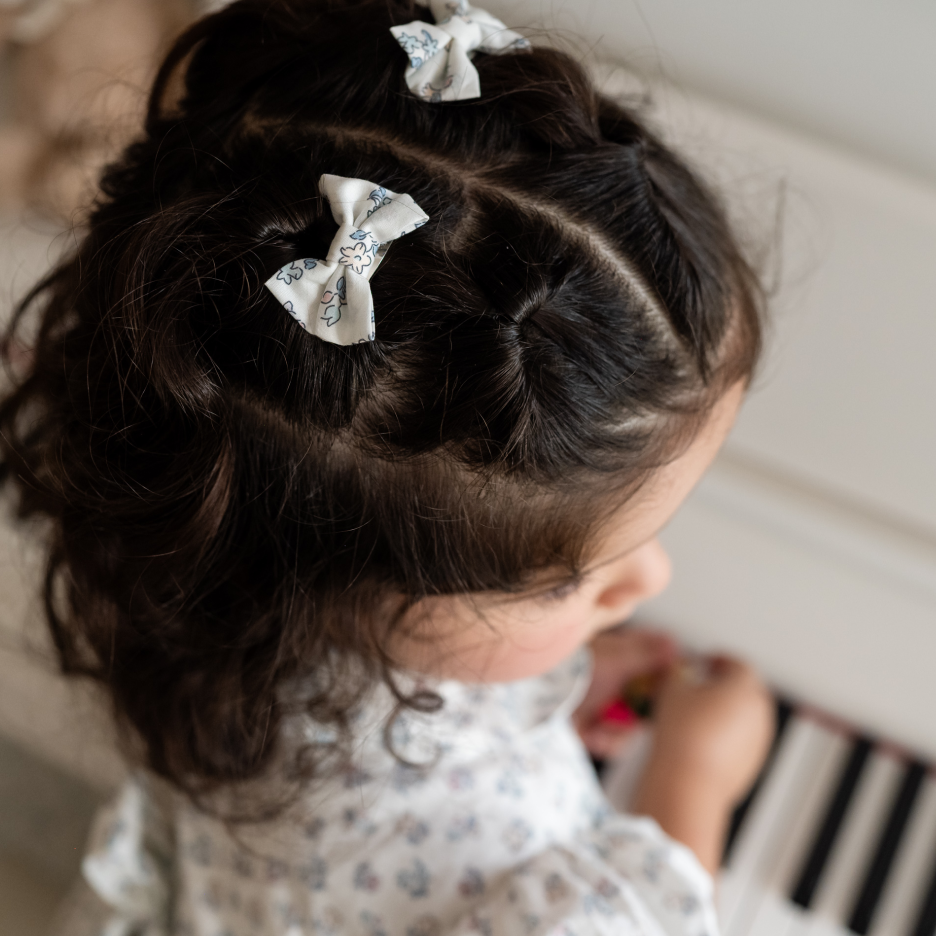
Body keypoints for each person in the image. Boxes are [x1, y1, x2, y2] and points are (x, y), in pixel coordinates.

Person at [0, 0, 775, 933]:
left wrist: (546, 671)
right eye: (567, 580)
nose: (652, 581)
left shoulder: (206, 583)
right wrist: (697, 774)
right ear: (352, 575)